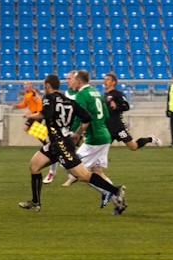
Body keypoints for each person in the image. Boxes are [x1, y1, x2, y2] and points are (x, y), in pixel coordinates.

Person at [19, 74, 127, 214]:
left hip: (61, 144)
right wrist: (78, 132)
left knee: (83, 176)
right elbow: (87, 117)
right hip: (58, 143)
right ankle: (35, 202)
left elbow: (47, 112)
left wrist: (31, 116)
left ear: (48, 86)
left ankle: (115, 190)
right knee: (34, 165)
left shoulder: (49, 98)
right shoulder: (69, 100)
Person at [70, 70, 120, 211]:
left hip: (95, 139)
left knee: (73, 169)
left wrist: (73, 133)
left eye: (73, 80)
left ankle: (107, 191)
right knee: (96, 172)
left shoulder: (81, 95)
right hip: (104, 135)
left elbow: (79, 117)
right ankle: (119, 202)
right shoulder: (96, 92)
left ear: (79, 81)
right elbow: (104, 115)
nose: (71, 83)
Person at [104, 73, 162, 150]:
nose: (105, 81)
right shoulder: (104, 95)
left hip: (118, 127)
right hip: (107, 127)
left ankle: (150, 139)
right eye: (104, 79)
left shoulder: (118, 94)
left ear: (113, 82)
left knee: (133, 146)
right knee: (102, 148)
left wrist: (117, 107)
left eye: (107, 79)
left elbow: (126, 106)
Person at [44, 71, 79, 185]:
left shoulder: (80, 95)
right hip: (64, 130)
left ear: (76, 80)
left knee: (69, 158)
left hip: (74, 131)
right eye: (66, 78)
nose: (67, 81)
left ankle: (77, 174)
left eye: (69, 79)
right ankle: (52, 172)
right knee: (54, 148)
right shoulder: (67, 93)